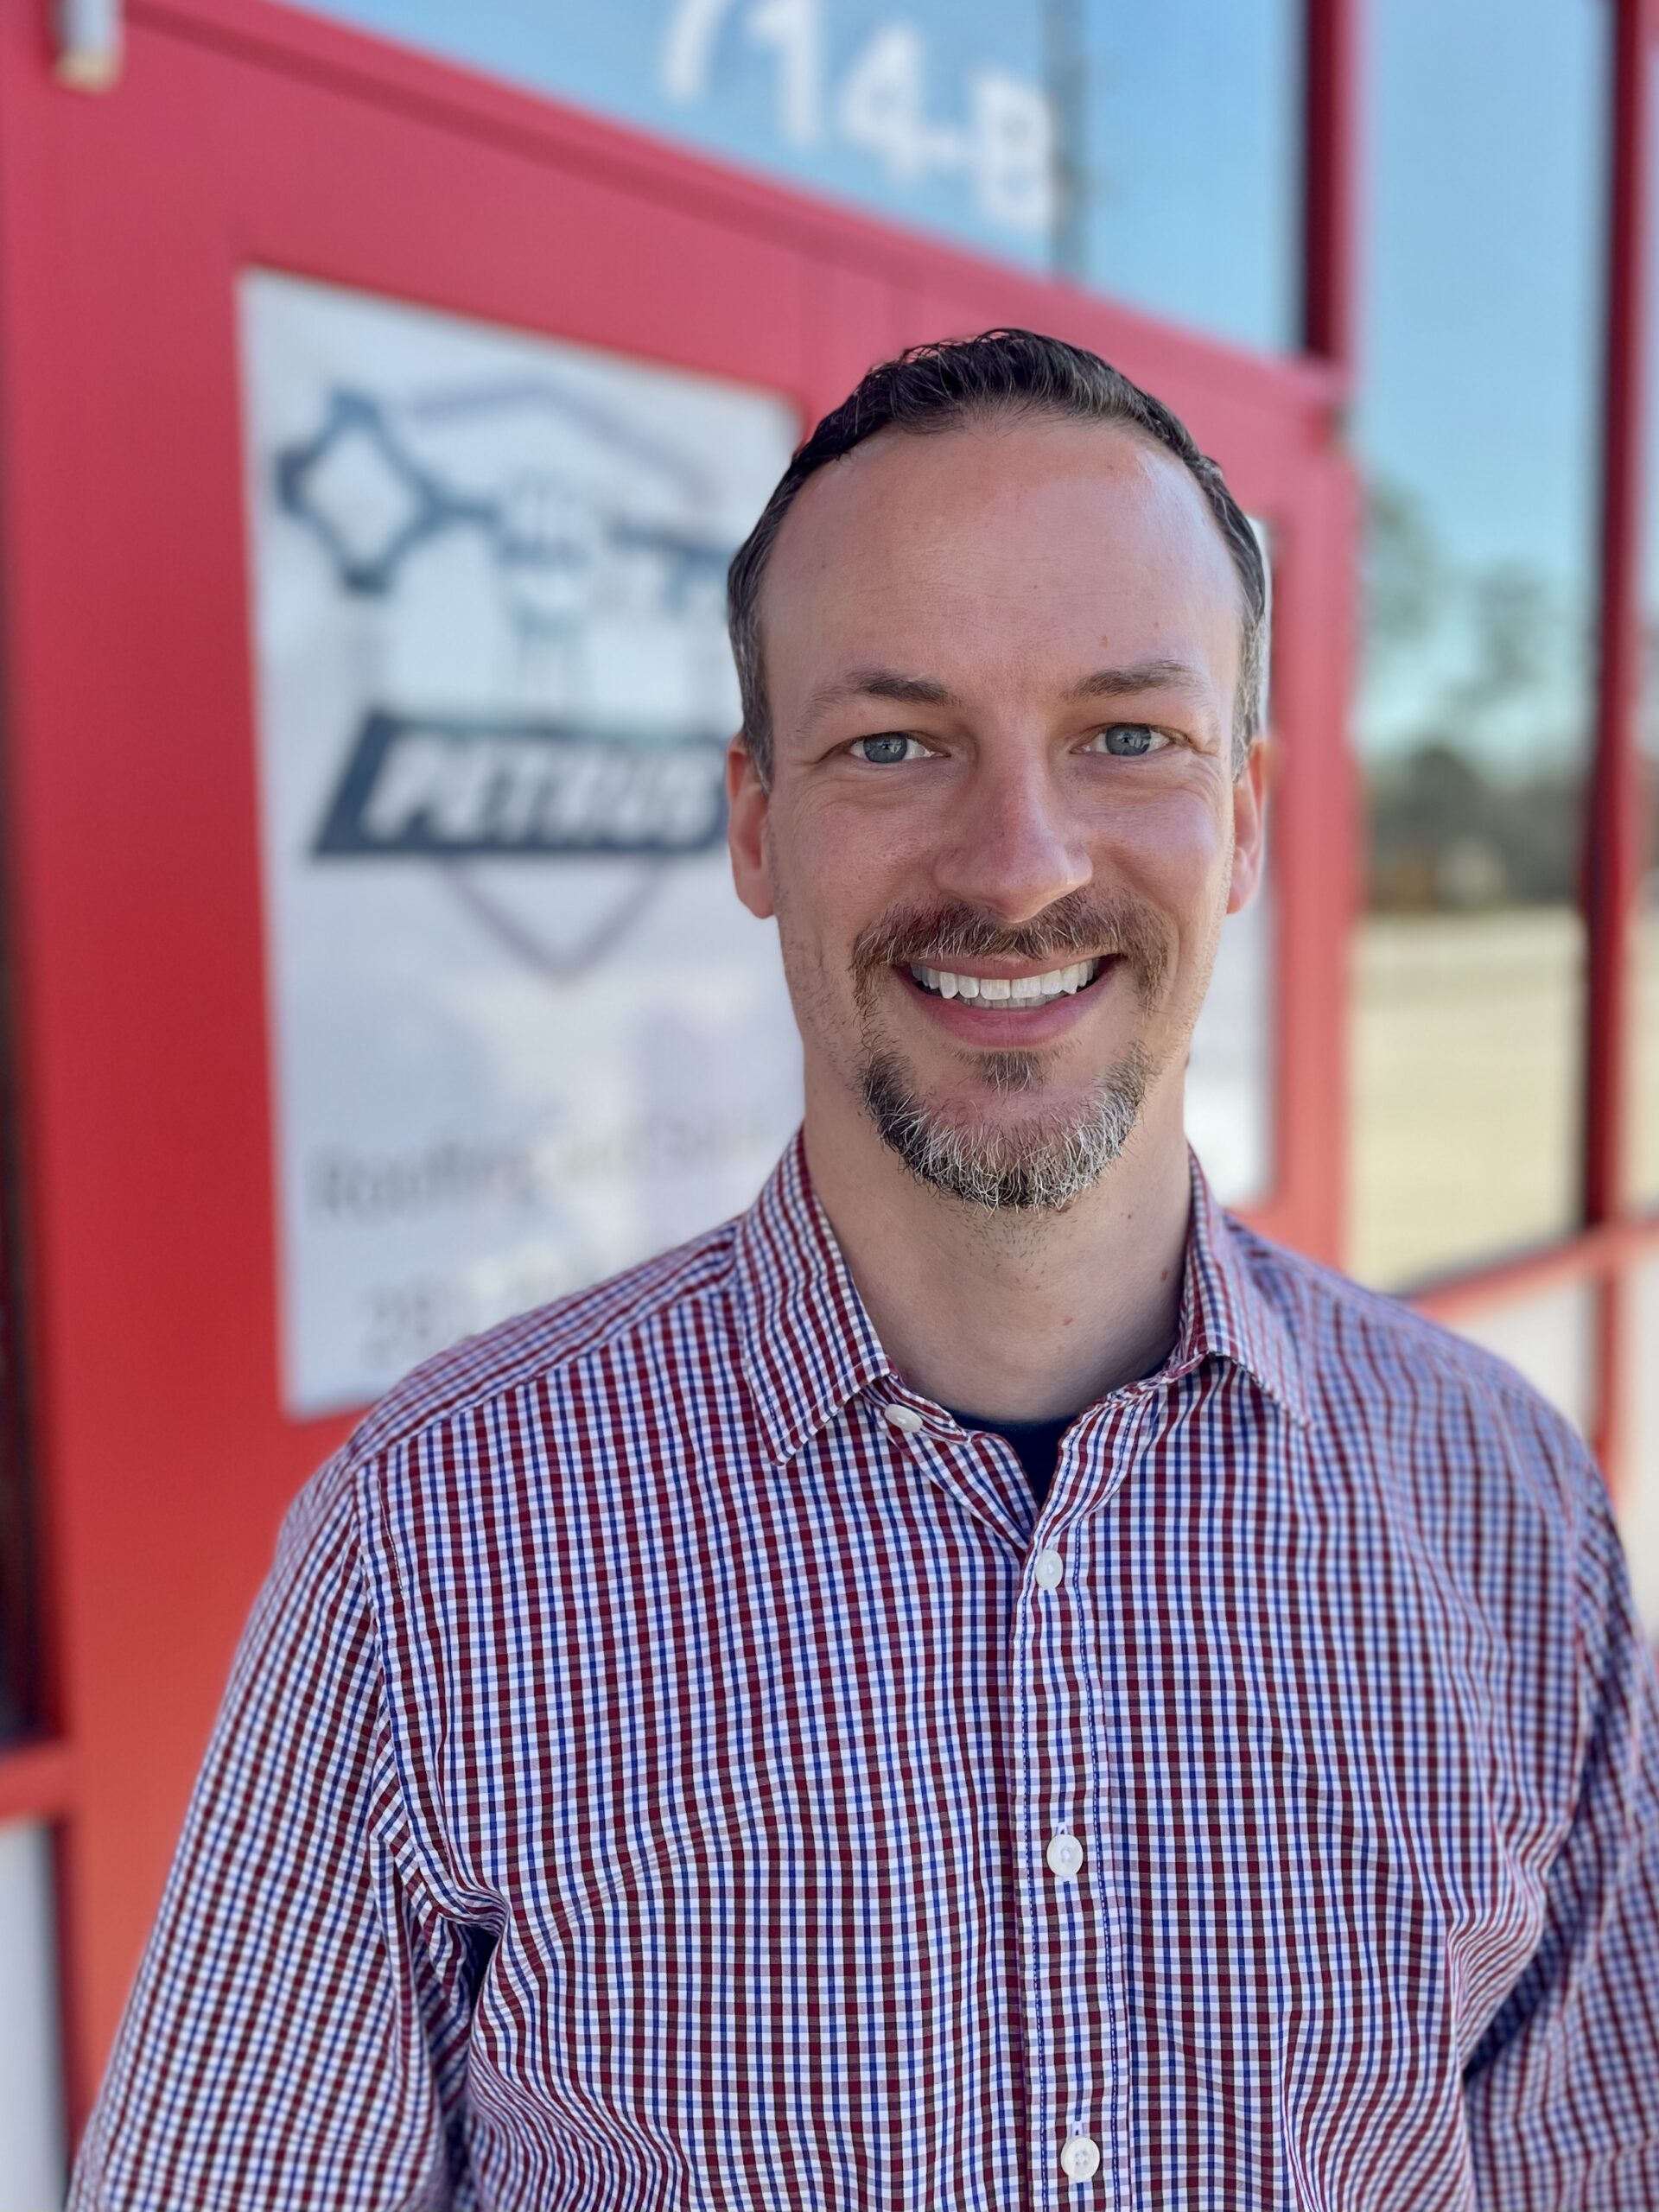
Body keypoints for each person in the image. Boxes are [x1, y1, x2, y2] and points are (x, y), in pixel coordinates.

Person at [72, 332, 1659, 2211]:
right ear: (757, 822)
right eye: (894, 741)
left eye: (1126, 735)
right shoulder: (426, 1555)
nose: (1018, 860)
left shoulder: (1506, 1505)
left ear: (1243, 814)